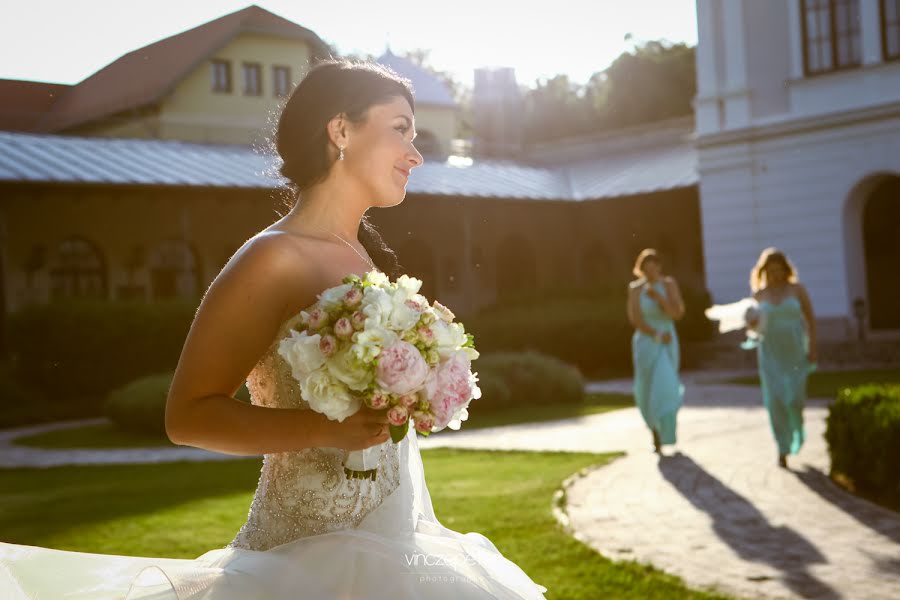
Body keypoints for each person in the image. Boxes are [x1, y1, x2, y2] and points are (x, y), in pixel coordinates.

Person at [0, 60, 546, 600]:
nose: (417, 153)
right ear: (340, 130)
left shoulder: (363, 258)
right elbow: (187, 415)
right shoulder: (271, 259)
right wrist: (324, 428)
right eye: (400, 129)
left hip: (395, 541)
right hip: (297, 563)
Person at [747, 247, 817, 469]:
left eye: (779, 270)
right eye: (771, 270)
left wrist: (813, 346)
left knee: (795, 399)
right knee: (775, 400)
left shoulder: (797, 289)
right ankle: (782, 447)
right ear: (764, 271)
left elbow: (811, 318)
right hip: (770, 353)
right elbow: (754, 329)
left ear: (785, 270)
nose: (775, 275)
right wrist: (751, 323)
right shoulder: (759, 295)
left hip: (796, 350)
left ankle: (797, 430)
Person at [627, 249, 685, 453]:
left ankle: (668, 431)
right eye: (646, 268)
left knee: (666, 384)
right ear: (641, 269)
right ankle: (655, 432)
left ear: (659, 267)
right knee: (647, 388)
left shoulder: (668, 284)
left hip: (668, 340)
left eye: (654, 267)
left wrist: (659, 298)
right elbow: (636, 319)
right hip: (647, 341)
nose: (650, 272)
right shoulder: (635, 289)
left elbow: (677, 314)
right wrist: (656, 333)